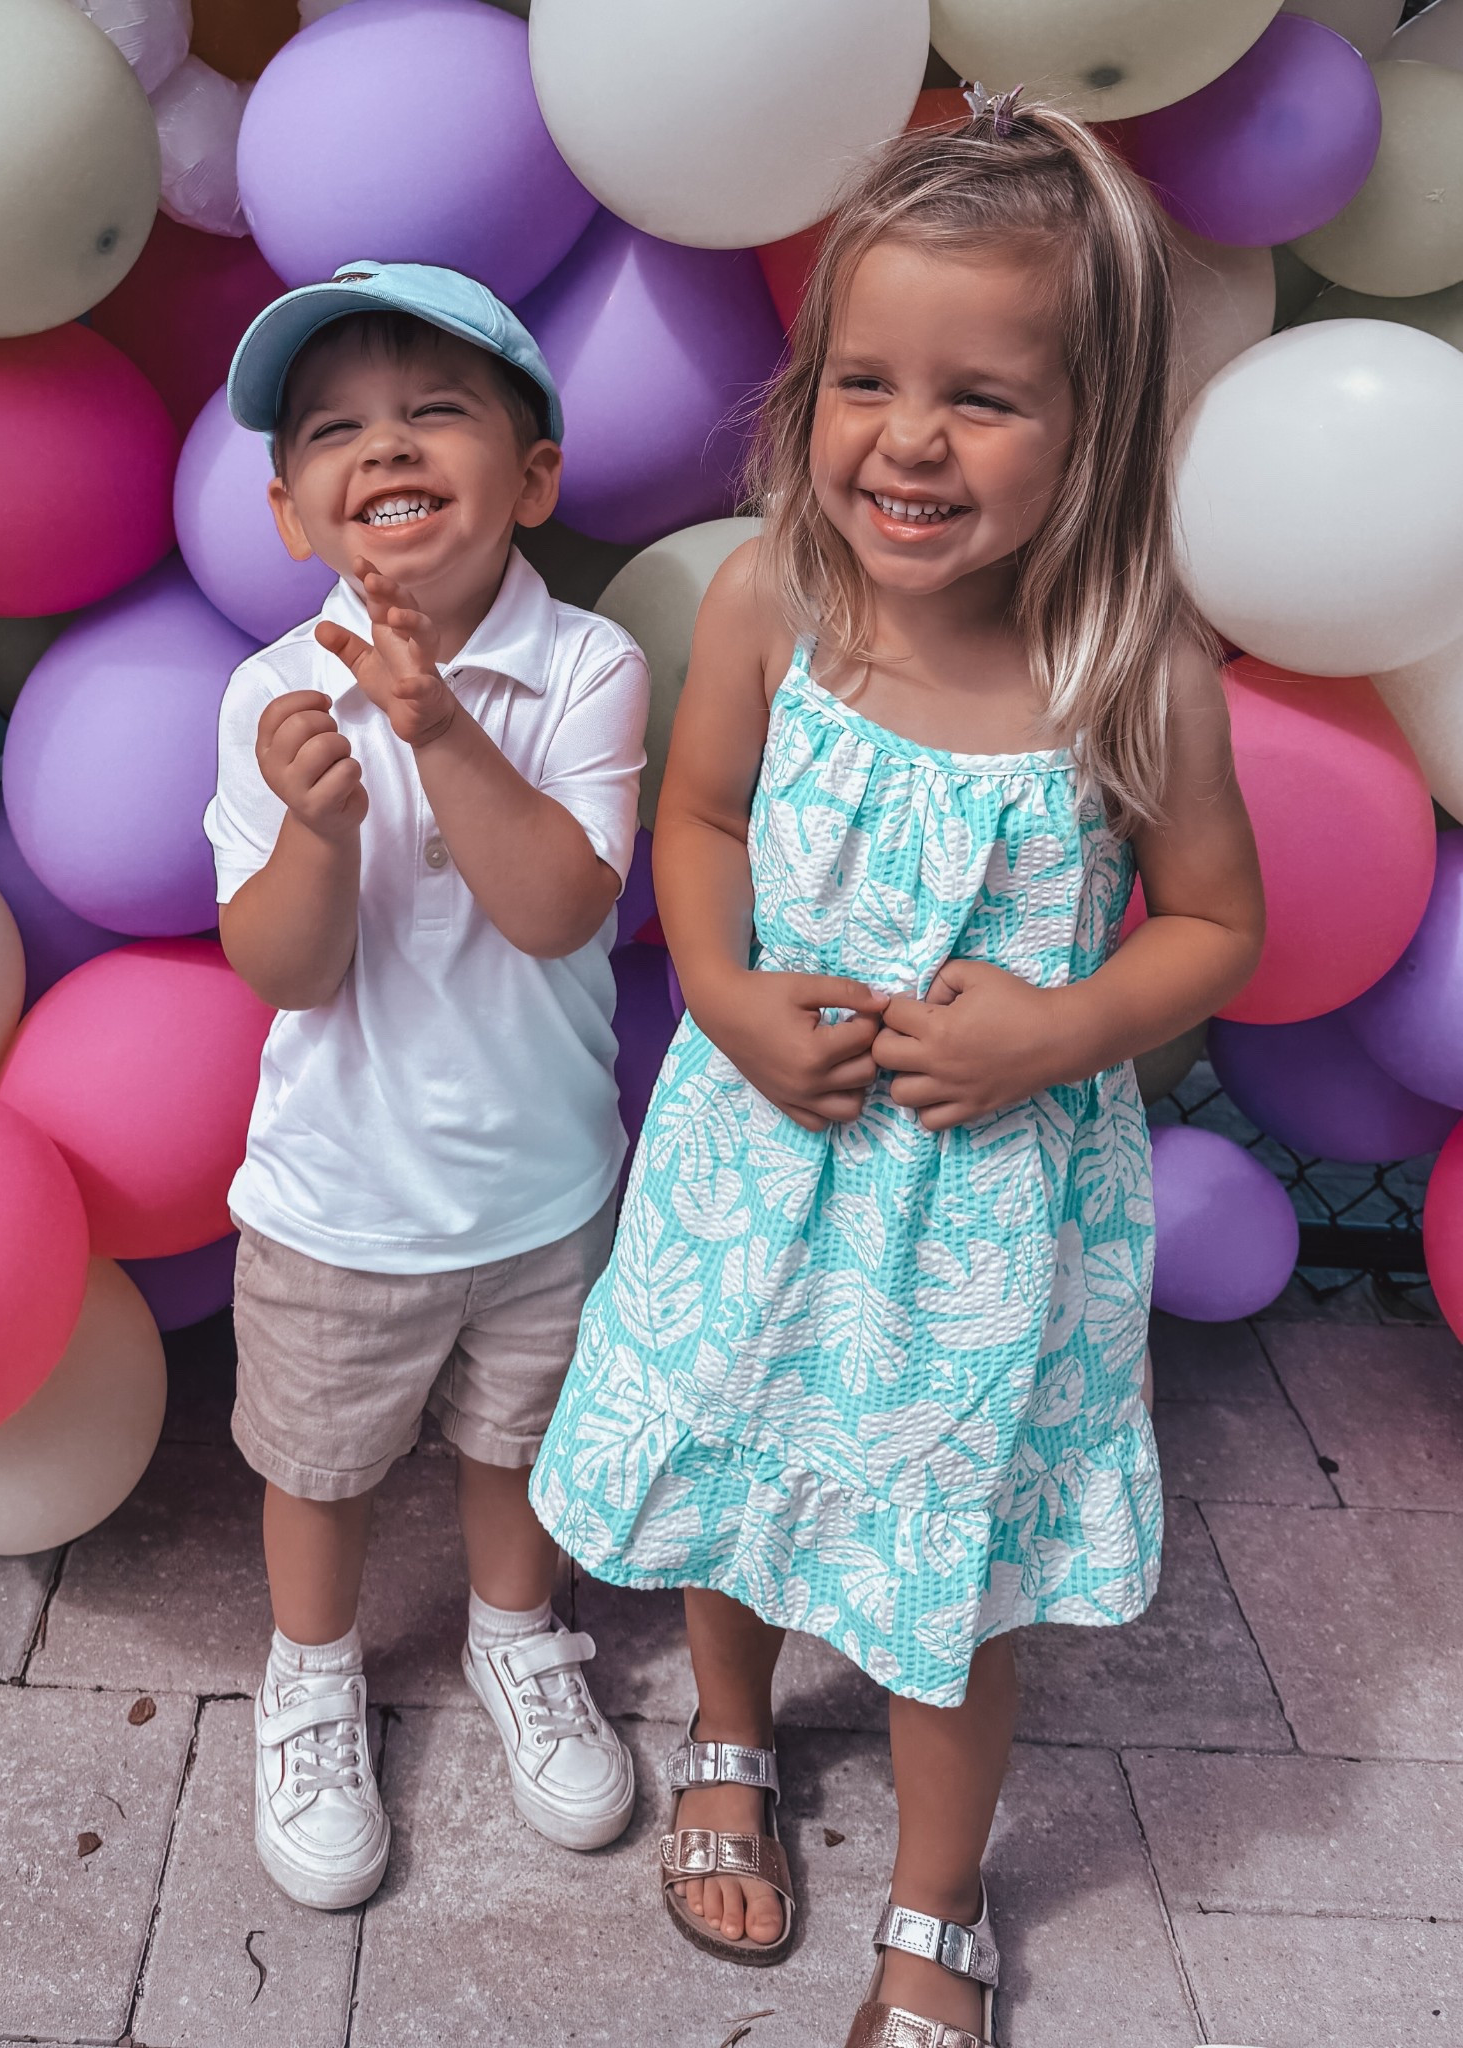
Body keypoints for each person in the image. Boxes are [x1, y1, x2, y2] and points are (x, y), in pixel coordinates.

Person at [529, 97, 1263, 2044]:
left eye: (983, 395)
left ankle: (939, 1913)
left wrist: (1063, 1023)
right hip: (762, 1155)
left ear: (1093, 420)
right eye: (867, 379)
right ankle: (733, 1730)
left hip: (984, 1219)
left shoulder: (1133, 665)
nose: (908, 439)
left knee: (950, 1579)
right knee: (733, 1476)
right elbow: (695, 823)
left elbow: (1214, 923)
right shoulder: (780, 599)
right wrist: (729, 989)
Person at [206, 261, 649, 1910]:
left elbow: (558, 908)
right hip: (340, 1197)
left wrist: (445, 731)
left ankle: (519, 1642)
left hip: (545, 1190)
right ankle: (311, 1679)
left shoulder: (590, 668)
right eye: (336, 429)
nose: (384, 442)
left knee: (517, 1447)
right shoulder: (270, 696)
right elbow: (286, 970)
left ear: (531, 478)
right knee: (316, 1464)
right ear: (292, 512)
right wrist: (320, 826)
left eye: (434, 410)